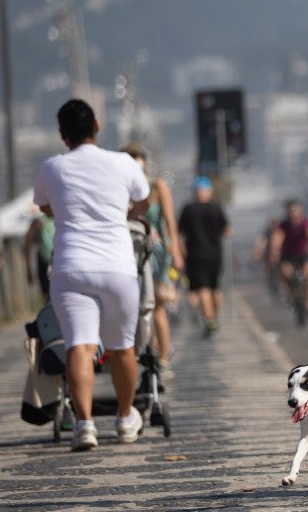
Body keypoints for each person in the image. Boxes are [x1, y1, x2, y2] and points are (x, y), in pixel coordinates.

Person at [33, 99, 151, 451]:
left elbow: (45, 207)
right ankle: (126, 418)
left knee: (79, 346)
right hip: (117, 267)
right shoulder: (123, 162)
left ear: (62, 135)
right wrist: (123, 209)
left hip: (71, 268)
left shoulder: (52, 167)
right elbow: (143, 200)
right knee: (122, 349)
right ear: (97, 125)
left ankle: (84, 425)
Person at [121, 143, 184, 379]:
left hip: (158, 254)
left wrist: (176, 252)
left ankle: (164, 357)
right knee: (136, 308)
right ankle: (153, 349)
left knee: (157, 306)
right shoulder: (121, 188)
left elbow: (169, 221)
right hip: (130, 251)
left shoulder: (157, 187)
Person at [177, 176, 230, 335]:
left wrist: (181, 252)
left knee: (203, 288)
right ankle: (215, 316)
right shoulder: (216, 207)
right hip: (215, 255)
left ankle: (210, 320)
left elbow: (179, 234)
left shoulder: (188, 209)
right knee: (215, 288)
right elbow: (226, 230)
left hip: (195, 255)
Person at [269, 199, 308, 315]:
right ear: (288, 213)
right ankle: (290, 293)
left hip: (304, 255)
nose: (294, 215)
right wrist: (274, 251)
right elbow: (277, 239)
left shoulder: (306, 223)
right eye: (291, 212)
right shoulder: (283, 225)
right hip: (288, 256)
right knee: (285, 273)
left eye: (297, 211)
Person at [22, 210, 56, 302]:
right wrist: (28, 270)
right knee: (48, 298)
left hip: (57, 261)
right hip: (47, 262)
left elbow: (27, 245)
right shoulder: (39, 220)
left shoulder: (60, 216)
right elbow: (27, 245)